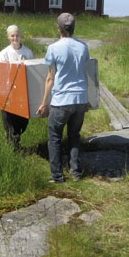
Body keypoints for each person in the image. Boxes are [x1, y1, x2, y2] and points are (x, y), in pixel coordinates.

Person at [36, 13, 90, 183]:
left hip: (61, 101)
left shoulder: (53, 48)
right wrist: (87, 98)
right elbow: (86, 73)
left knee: (55, 138)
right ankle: (76, 172)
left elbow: (50, 78)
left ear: (58, 27)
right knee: (74, 135)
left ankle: (57, 176)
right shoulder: (83, 47)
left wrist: (44, 104)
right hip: (80, 99)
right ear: (74, 28)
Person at [0, 25, 34, 150]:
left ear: (21, 35)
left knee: (23, 122)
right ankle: (13, 148)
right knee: (10, 121)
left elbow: (31, 71)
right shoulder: (4, 53)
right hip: (9, 93)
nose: (15, 38)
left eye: (17, 35)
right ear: (8, 37)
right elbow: (2, 74)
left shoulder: (28, 52)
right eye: (12, 35)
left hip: (23, 93)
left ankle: (16, 140)